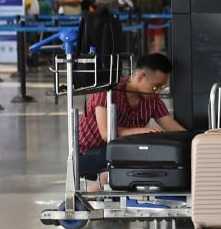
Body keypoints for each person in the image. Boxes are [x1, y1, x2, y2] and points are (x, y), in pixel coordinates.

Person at [76, 53, 186, 191]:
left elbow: (175, 129)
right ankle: (97, 186)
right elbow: (106, 133)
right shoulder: (108, 91)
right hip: (88, 156)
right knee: (134, 152)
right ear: (140, 77)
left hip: (120, 153)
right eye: (155, 87)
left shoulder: (152, 100)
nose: (157, 92)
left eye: (161, 88)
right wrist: (141, 132)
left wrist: (200, 141)